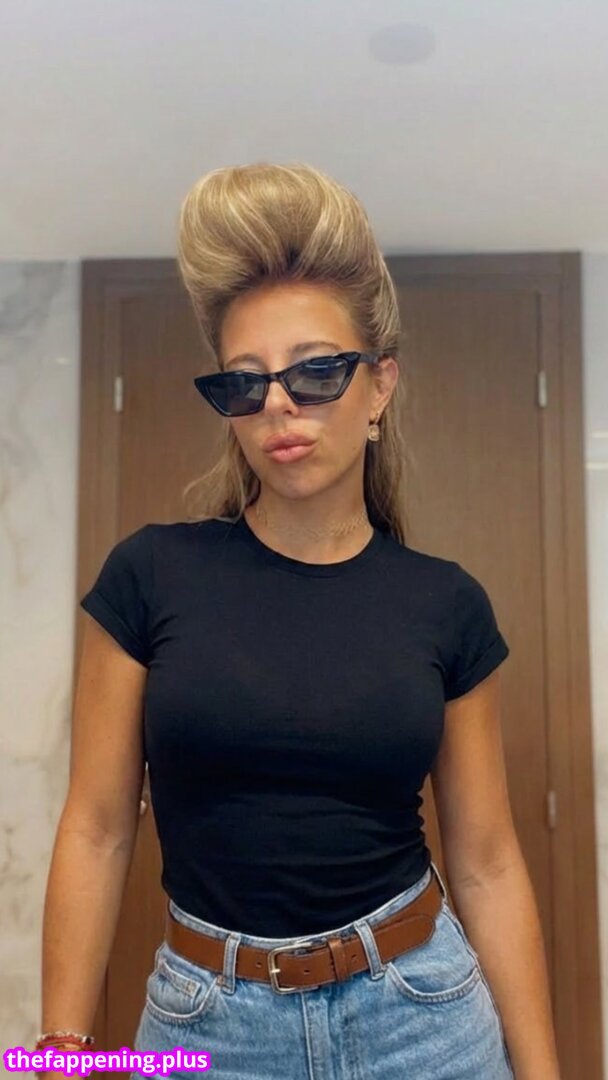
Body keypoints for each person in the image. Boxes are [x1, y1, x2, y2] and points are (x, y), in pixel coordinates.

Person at [39, 163, 560, 1079]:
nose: (278, 404)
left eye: (316, 371)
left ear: (380, 384)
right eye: (246, 383)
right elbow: (96, 827)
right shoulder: (150, 576)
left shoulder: (445, 605)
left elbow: (487, 863)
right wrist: (59, 1055)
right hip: (206, 1029)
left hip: (421, 1017)